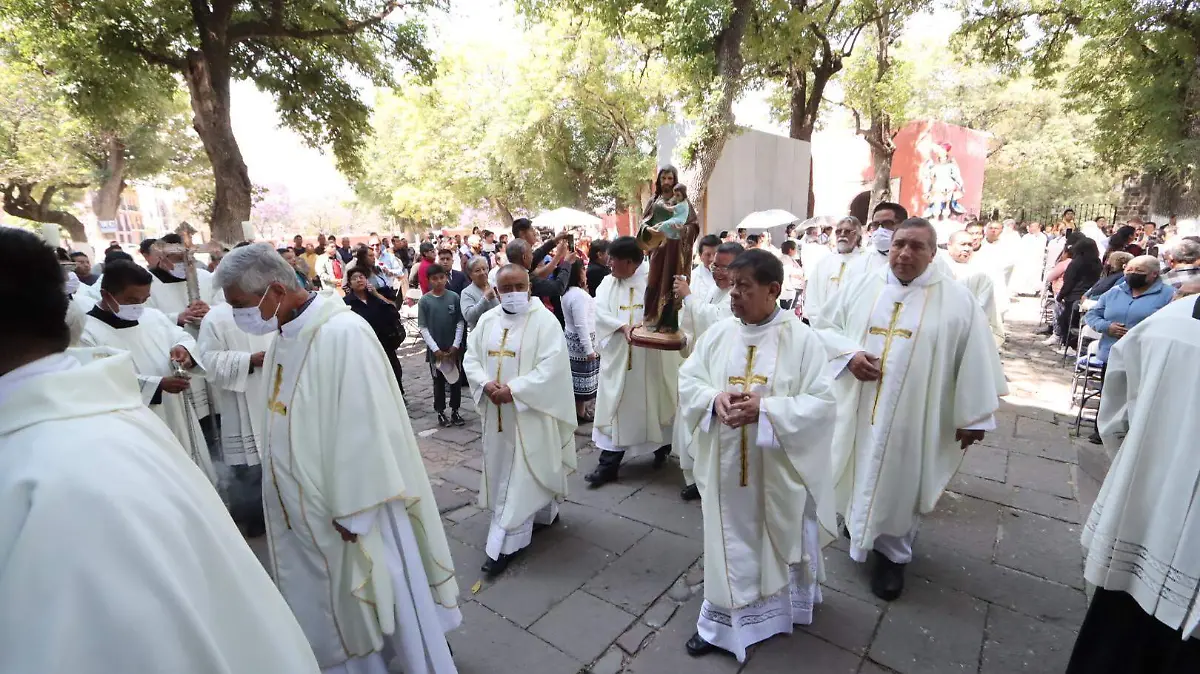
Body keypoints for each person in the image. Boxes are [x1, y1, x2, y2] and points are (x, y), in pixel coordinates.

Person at [0, 228, 321, 674]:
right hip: (164, 407)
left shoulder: (45, 473)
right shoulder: (100, 395)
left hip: (177, 410)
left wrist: (183, 351)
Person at [213, 244, 461, 674]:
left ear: (275, 290)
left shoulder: (342, 334)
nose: (237, 315)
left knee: (382, 595)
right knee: (335, 606)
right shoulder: (284, 336)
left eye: (240, 305)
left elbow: (364, 426)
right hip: (304, 514)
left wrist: (355, 513)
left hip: (351, 511)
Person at [813, 218, 1006, 601]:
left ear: (933, 253)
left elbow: (976, 358)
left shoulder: (956, 300)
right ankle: (858, 524)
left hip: (914, 416)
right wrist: (848, 355)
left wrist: (974, 415)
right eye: (900, 243)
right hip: (858, 406)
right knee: (856, 468)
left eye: (917, 246)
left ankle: (893, 558)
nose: (904, 252)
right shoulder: (862, 285)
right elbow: (821, 325)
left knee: (900, 479)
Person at [677, 249, 837, 661]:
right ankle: (717, 624)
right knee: (726, 540)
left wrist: (766, 410)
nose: (734, 295)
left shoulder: (802, 339)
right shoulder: (719, 334)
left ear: (774, 290)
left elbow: (822, 403)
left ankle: (778, 612)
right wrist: (714, 400)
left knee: (774, 536)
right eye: (732, 285)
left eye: (744, 286)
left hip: (777, 468)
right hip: (726, 466)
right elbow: (689, 378)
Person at [1066, 291, 1200, 673]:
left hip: (1145, 513)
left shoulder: (1167, 323)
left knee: (1116, 640)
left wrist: (1135, 468)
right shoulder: (1167, 323)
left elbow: (1114, 418)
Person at [463, 264, 577, 577]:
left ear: (529, 287)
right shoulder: (487, 320)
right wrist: (486, 385)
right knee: (509, 473)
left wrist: (515, 390)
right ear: (496, 291)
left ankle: (504, 543)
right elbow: (471, 358)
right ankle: (543, 514)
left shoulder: (544, 322)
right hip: (496, 415)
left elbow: (552, 367)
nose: (513, 294)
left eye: (518, 287)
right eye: (506, 288)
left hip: (530, 414)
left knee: (524, 471)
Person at [79, 261, 217, 485]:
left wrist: (185, 352)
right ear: (106, 294)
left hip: (176, 413)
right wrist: (157, 385)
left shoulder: (152, 316)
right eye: (131, 300)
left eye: (143, 300)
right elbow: (98, 380)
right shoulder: (86, 332)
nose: (138, 307)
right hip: (135, 424)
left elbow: (181, 337)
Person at [585, 236, 682, 487]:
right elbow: (599, 311)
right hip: (619, 357)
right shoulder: (607, 283)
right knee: (616, 406)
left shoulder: (655, 280)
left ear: (631, 262)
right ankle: (608, 465)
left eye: (614, 260)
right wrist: (621, 327)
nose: (609, 264)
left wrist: (648, 326)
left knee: (656, 402)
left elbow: (665, 312)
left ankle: (662, 448)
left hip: (649, 358)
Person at [196, 293, 275, 536]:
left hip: (275, 390)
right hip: (240, 396)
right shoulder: (217, 317)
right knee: (246, 462)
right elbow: (207, 360)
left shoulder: (273, 306)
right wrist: (248, 360)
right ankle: (251, 513)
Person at [672, 241, 743, 501]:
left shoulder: (738, 295)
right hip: (703, 369)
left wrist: (689, 297)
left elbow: (716, 321)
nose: (717, 271)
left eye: (724, 267)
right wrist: (685, 340)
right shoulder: (716, 290)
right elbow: (700, 327)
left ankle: (709, 480)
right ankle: (696, 476)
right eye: (714, 266)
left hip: (723, 373)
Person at [1084, 254, 1175, 364]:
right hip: (1111, 355)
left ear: (1154, 274)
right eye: (1129, 269)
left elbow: (1171, 326)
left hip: (1144, 359)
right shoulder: (1114, 292)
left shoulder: (1169, 295)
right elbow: (1092, 315)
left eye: (1139, 270)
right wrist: (1107, 326)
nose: (1132, 273)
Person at [344, 267, 406, 395]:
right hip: (364, 346)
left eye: (361, 277)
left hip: (385, 342)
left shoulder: (375, 296)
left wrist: (377, 295)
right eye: (354, 278)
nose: (359, 280)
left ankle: (398, 396)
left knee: (394, 371)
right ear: (350, 284)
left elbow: (394, 311)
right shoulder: (347, 303)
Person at [418, 264, 466, 428]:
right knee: (438, 382)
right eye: (434, 279)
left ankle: (455, 410)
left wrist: (455, 345)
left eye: (441, 277)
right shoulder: (425, 301)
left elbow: (460, 322)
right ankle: (440, 411)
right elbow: (423, 327)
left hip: (453, 349)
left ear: (446, 277)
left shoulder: (454, 297)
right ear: (429, 280)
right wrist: (435, 348)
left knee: (455, 380)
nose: (439, 281)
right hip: (436, 352)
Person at [944, 230, 1006, 345]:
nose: (967, 248)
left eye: (970, 245)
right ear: (949, 246)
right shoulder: (938, 267)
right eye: (962, 244)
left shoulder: (980, 272)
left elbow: (983, 307)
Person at [803, 216, 865, 324]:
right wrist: (820, 324)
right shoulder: (824, 262)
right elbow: (812, 296)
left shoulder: (866, 262)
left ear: (858, 236)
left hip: (851, 328)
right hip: (821, 328)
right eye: (838, 231)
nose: (842, 235)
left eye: (847, 231)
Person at [561, 259, 599, 420]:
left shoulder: (569, 293)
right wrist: (589, 349)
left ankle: (580, 410)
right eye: (583, 269)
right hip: (581, 344)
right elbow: (581, 323)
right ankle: (580, 412)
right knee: (581, 382)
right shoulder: (578, 296)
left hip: (574, 342)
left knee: (577, 380)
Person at [505, 238, 572, 326]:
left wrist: (553, 241)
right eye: (531, 253)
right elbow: (558, 288)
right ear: (524, 257)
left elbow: (538, 255)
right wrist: (567, 263)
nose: (533, 256)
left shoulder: (513, 270)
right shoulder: (524, 279)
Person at [1053, 238, 1103, 348]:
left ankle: (1069, 345)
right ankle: (1077, 345)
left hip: (1074, 295)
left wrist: (1061, 295)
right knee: (1079, 322)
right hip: (1089, 295)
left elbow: (1069, 281)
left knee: (1066, 321)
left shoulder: (1076, 262)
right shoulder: (1097, 262)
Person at [461, 256, 499, 330]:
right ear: (470, 274)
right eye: (478, 270)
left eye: (484, 269)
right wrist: (485, 299)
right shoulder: (467, 292)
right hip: (479, 334)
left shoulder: (493, 285)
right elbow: (469, 316)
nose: (482, 273)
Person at [1012, 221, 1048, 295]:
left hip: (1036, 260)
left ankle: (1034, 290)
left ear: (1038, 227)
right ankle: (1023, 290)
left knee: (1034, 275)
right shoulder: (1026, 236)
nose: (1031, 228)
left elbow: (1040, 248)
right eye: (1031, 226)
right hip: (1026, 259)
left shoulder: (1042, 237)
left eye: (1033, 226)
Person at [691, 234, 720, 300]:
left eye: (716, 254)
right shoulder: (693, 278)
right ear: (700, 256)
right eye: (708, 255)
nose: (712, 259)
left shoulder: (728, 275)